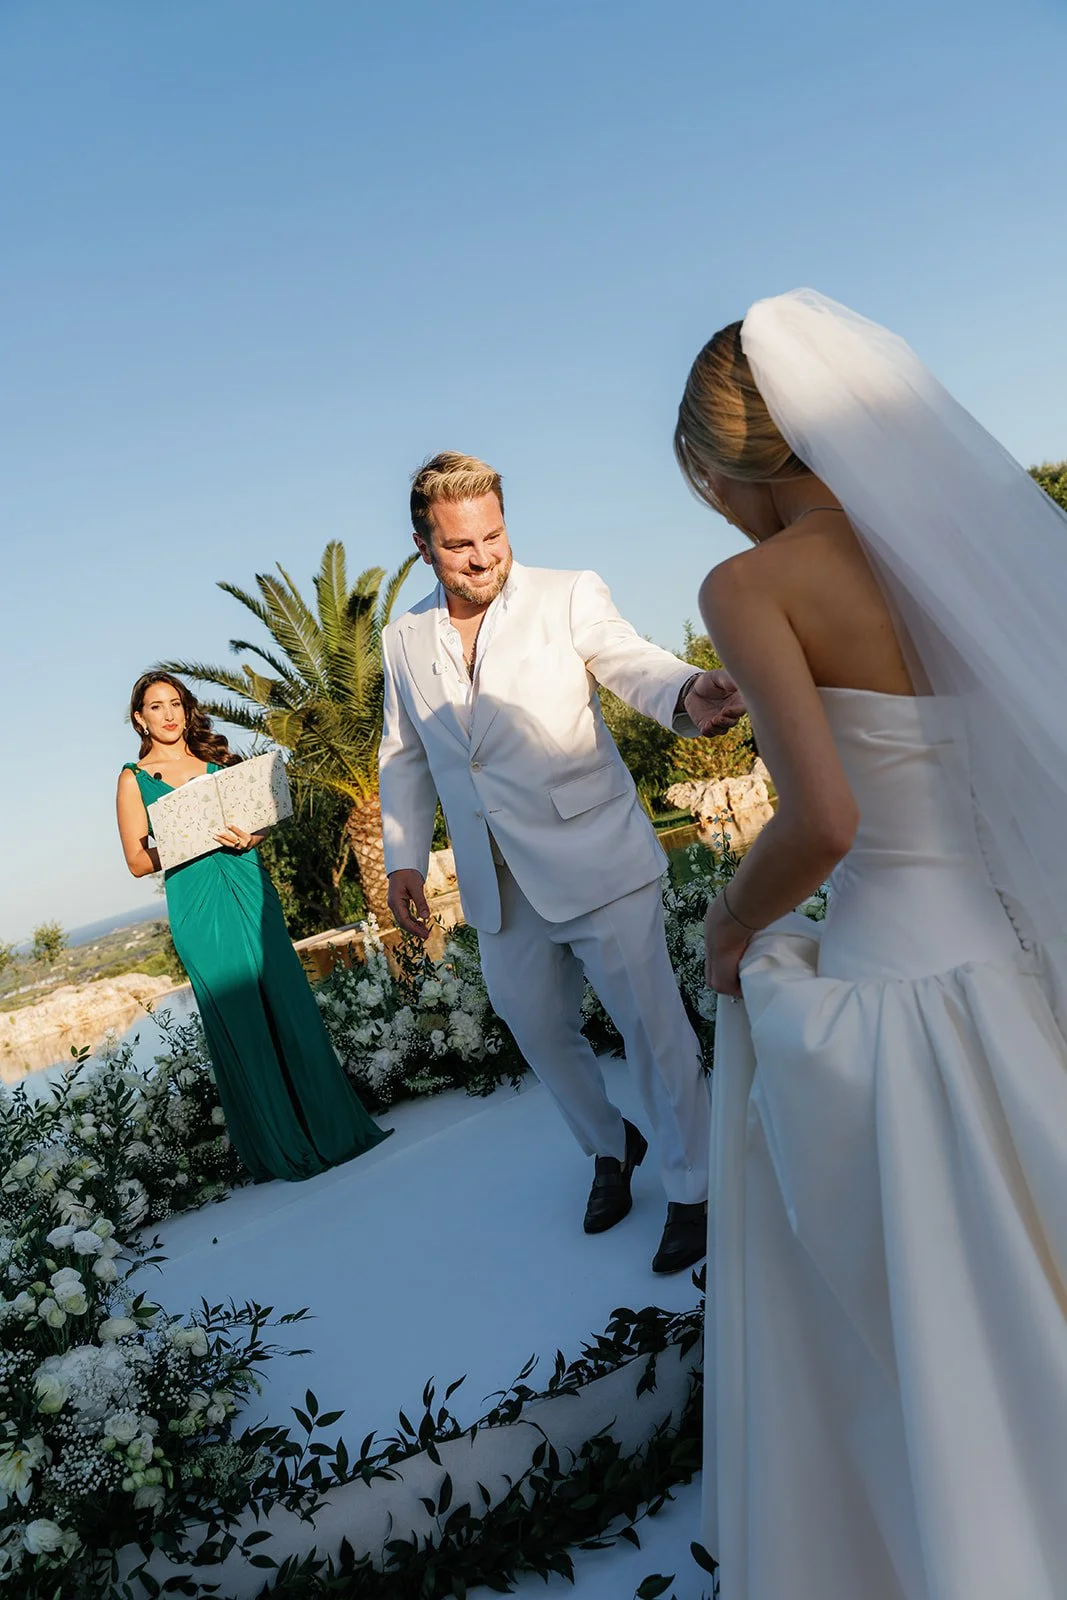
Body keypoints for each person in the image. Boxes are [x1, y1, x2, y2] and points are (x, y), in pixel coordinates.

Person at [676, 290, 1067, 1598]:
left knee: (929, 1327)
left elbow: (825, 821)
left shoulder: (743, 584)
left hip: (895, 980)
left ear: (719, 460)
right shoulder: (944, 551)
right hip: (1011, 968)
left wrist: (730, 928)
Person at [378, 452, 741, 1274]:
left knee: (652, 1031)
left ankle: (696, 1190)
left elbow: (630, 659)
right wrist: (404, 856)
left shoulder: (566, 592)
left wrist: (687, 691)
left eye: (495, 535)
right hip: (495, 879)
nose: (483, 557)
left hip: (595, 854)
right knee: (535, 1026)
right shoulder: (401, 639)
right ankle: (612, 1146)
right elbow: (403, 754)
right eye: (461, 545)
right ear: (421, 545)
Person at [116, 671, 390, 1183]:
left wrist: (252, 835)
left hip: (248, 882)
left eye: (175, 703)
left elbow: (260, 818)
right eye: (156, 706)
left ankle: (332, 1128)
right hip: (197, 902)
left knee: (288, 1002)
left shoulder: (216, 761)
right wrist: (186, 837)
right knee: (240, 1017)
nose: (169, 714)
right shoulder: (133, 777)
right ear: (140, 718)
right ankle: (280, 1146)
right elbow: (135, 859)